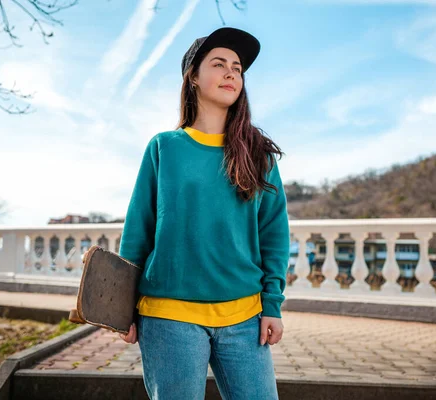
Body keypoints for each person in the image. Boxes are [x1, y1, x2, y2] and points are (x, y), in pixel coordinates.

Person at [117, 27, 290, 400]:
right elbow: (138, 230)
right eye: (219, 64)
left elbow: (274, 233)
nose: (231, 73)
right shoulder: (164, 147)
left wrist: (272, 304)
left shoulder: (259, 155)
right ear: (193, 76)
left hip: (245, 317)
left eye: (238, 68)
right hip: (168, 316)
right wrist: (121, 306)